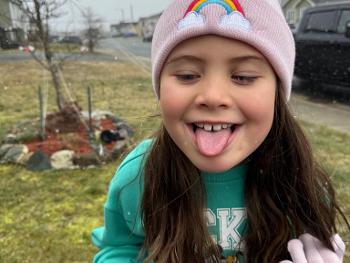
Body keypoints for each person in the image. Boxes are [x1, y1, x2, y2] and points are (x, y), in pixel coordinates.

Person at [91, 0, 349, 262]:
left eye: (244, 77)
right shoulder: (138, 175)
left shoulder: (300, 183)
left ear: (277, 93)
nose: (213, 97)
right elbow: (119, 248)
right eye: (188, 75)